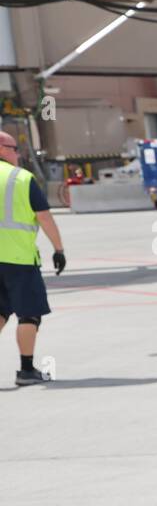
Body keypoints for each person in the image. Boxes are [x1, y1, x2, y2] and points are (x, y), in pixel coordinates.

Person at [0, 132, 66, 386]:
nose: (19, 154)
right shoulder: (21, 178)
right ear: (3, 149)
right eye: (15, 148)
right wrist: (58, 249)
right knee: (29, 315)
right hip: (19, 259)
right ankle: (26, 370)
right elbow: (44, 217)